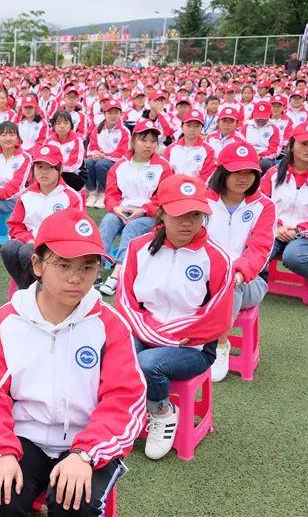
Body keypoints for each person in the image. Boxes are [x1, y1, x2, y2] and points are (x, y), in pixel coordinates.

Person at [0, 208, 145, 517]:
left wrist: (85, 454)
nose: (76, 278)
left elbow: (125, 399)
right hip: (24, 439)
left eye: (88, 267)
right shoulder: (8, 320)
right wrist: (2, 451)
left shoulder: (109, 324)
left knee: (76, 505)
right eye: (63, 265)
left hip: (86, 439)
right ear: (37, 265)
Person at [115, 174, 233, 460]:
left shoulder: (217, 257)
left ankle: (162, 412)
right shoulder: (138, 247)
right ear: (162, 213)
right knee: (116, 355)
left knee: (147, 363)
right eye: (179, 214)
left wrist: (161, 334)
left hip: (192, 347)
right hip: (147, 332)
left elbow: (217, 317)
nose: (187, 223)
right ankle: (125, 414)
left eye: (195, 215)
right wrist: (152, 331)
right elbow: (126, 301)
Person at [205, 142, 275, 382]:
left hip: (249, 282)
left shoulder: (264, 206)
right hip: (204, 275)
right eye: (236, 172)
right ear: (222, 171)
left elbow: (260, 249)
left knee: (229, 284)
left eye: (249, 172)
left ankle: (219, 343)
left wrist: (238, 273)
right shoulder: (203, 200)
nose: (243, 178)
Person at [260, 121, 308, 309]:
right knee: (255, 249)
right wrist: (277, 226)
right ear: (291, 145)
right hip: (276, 229)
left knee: (294, 255)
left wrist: (298, 230)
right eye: (304, 143)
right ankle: (257, 282)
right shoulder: (273, 173)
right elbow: (261, 204)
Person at [97, 120, 171, 296]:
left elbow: (161, 199)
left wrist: (144, 210)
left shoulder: (163, 167)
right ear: (134, 140)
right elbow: (110, 194)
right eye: (143, 140)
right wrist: (115, 208)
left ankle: (117, 274)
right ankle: (95, 269)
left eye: (153, 141)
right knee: (107, 221)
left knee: (132, 228)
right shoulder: (120, 165)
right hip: (123, 209)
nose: (148, 145)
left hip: (148, 214)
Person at [1, 143, 85, 290]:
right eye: (39, 167)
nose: (43, 172)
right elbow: (15, 226)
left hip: (56, 248)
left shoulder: (71, 196)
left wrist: (41, 243)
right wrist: (29, 239)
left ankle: (29, 292)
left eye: (49, 167)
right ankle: (27, 290)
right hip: (30, 242)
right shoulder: (26, 195)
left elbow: (75, 232)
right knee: (9, 247)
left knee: (28, 251)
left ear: (59, 169)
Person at [84, 100, 131, 209]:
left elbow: (123, 153)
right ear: (104, 114)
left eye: (116, 112)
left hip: (115, 162)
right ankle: (92, 192)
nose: (113, 116)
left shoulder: (124, 131)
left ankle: (103, 193)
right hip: (101, 158)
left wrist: (104, 155)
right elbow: (90, 148)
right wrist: (94, 154)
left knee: (101, 164)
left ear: (121, 114)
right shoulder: (98, 129)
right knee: (88, 162)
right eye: (109, 113)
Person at [163, 110, 215, 180]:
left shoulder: (209, 150)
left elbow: (205, 176)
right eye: (188, 125)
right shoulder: (170, 148)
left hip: (198, 188)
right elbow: (167, 173)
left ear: (201, 129)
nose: (192, 129)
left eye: (197, 126)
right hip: (174, 187)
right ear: (182, 127)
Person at [46, 110, 85, 191]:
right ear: (53, 125)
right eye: (58, 123)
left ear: (71, 125)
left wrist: (56, 170)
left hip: (73, 174)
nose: (62, 126)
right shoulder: (49, 141)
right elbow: (46, 159)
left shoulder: (77, 140)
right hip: (54, 172)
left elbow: (75, 164)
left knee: (61, 178)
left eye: (66, 123)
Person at [243, 100, 282, 172]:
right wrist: (249, 154)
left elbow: (274, 149)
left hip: (264, 157)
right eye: (258, 117)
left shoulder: (274, 128)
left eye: (263, 117)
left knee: (264, 164)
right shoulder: (246, 126)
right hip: (247, 154)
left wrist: (261, 156)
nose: (260, 119)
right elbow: (241, 143)